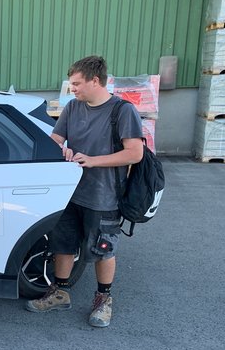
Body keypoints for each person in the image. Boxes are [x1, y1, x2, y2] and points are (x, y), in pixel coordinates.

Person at [25, 55, 144, 327]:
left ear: (95, 80)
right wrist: (60, 149)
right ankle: (60, 293)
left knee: (103, 250)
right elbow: (55, 139)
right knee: (63, 244)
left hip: (104, 196)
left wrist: (92, 160)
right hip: (68, 192)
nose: (73, 89)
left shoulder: (122, 111)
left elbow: (134, 153)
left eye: (77, 83)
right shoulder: (73, 108)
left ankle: (104, 299)